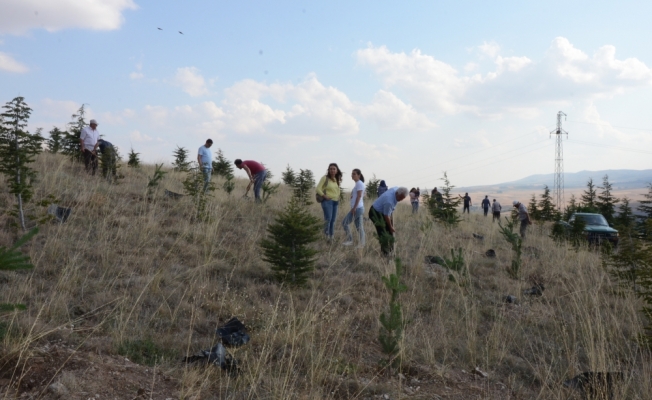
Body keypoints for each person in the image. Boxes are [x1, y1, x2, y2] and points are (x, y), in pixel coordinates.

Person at [369, 186, 409, 255]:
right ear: (397, 193)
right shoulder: (389, 201)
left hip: (383, 211)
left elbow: (388, 214)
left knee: (389, 232)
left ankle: (391, 250)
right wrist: (390, 227)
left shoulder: (396, 189)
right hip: (375, 212)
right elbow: (386, 216)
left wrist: (390, 227)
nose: (400, 200)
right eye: (400, 197)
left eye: (403, 198)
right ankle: (385, 253)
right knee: (383, 232)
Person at [316, 163, 342, 240]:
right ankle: (326, 236)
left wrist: (338, 196)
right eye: (331, 169)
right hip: (327, 202)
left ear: (337, 170)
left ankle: (332, 236)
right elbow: (318, 189)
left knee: (333, 220)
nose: (332, 170)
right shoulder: (325, 178)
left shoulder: (336, 179)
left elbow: (337, 189)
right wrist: (324, 196)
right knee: (328, 219)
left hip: (335, 202)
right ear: (328, 170)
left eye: (334, 169)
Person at [342, 169, 365, 248]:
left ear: (359, 175)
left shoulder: (359, 184)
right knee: (359, 227)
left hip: (357, 208)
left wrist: (354, 208)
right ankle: (362, 244)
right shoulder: (357, 184)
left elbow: (359, 196)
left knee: (345, 223)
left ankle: (350, 240)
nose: (352, 175)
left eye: (354, 174)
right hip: (358, 208)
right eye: (352, 174)